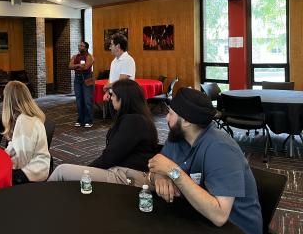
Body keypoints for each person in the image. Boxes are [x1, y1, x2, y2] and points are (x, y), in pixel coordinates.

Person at [147, 88, 262, 234]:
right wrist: (160, 176)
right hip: (195, 216)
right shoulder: (177, 136)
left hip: (234, 227)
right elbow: (158, 166)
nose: (166, 118)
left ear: (187, 121)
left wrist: (173, 172)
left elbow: (220, 216)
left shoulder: (220, 149)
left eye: (170, 113)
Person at [48, 79, 158, 185]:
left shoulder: (133, 122)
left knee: (61, 171)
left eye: (113, 95)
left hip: (127, 176)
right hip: (125, 171)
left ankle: (41, 197)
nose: (110, 99)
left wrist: (86, 169)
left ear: (123, 99)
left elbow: (110, 156)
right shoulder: (138, 118)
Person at [2, 81, 50, 185]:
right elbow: (15, 145)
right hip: (33, 166)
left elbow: (22, 160)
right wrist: (3, 156)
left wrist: (4, 164)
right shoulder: (23, 117)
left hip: (33, 171)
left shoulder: (24, 120)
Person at [103, 33, 136, 118]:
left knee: (124, 124)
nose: (110, 47)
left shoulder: (128, 60)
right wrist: (107, 92)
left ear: (117, 46)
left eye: (111, 45)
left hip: (123, 98)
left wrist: (107, 86)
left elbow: (122, 81)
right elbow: (111, 78)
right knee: (116, 123)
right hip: (113, 96)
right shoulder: (114, 61)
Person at [69, 41, 94, 128]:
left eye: (82, 46)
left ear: (86, 48)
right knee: (79, 100)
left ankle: (88, 120)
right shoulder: (75, 56)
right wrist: (79, 65)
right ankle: (80, 119)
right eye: (79, 45)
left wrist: (75, 65)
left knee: (87, 100)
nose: (80, 47)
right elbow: (69, 66)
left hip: (87, 79)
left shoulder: (90, 57)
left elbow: (86, 67)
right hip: (77, 79)